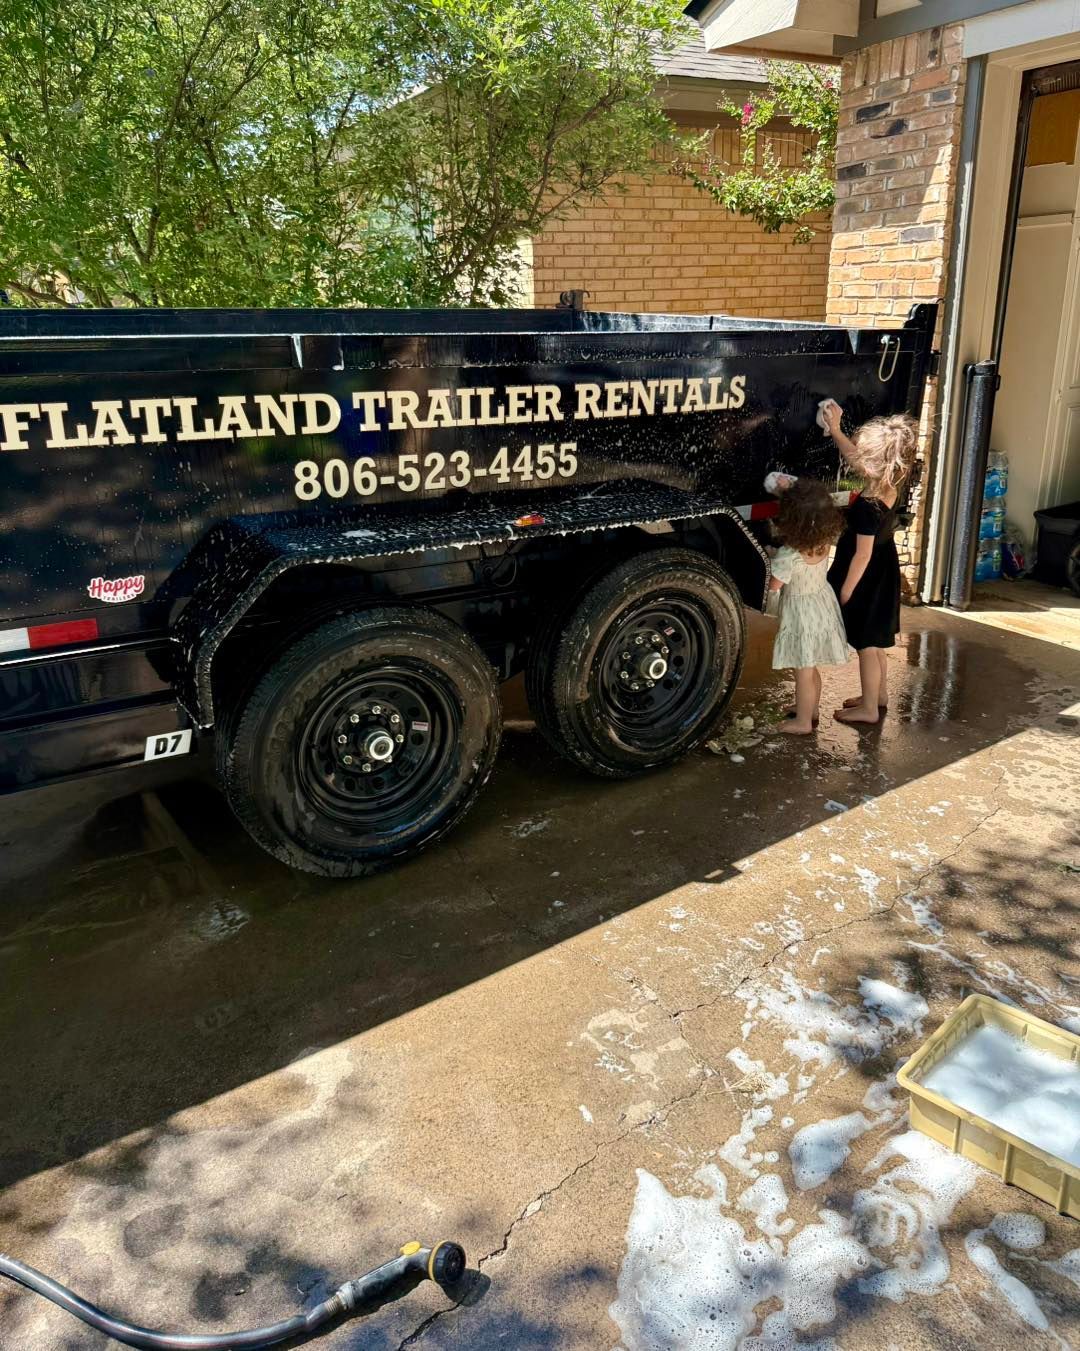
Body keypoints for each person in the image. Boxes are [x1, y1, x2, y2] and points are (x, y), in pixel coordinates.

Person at [822, 406, 919, 724]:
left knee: (865, 645)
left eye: (862, 455)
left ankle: (867, 711)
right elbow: (853, 457)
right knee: (876, 643)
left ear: (874, 463)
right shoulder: (889, 487)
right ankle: (877, 696)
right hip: (882, 571)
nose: (855, 459)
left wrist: (846, 591)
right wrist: (835, 430)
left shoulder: (867, 507)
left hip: (864, 578)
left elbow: (860, 555)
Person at [768, 477, 852, 735]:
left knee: (802, 670)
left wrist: (771, 560)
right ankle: (810, 709)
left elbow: (774, 586)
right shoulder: (823, 543)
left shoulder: (789, 554)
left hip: (801, 615)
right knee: (810, 665)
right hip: (820, 605)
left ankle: (803, 722)